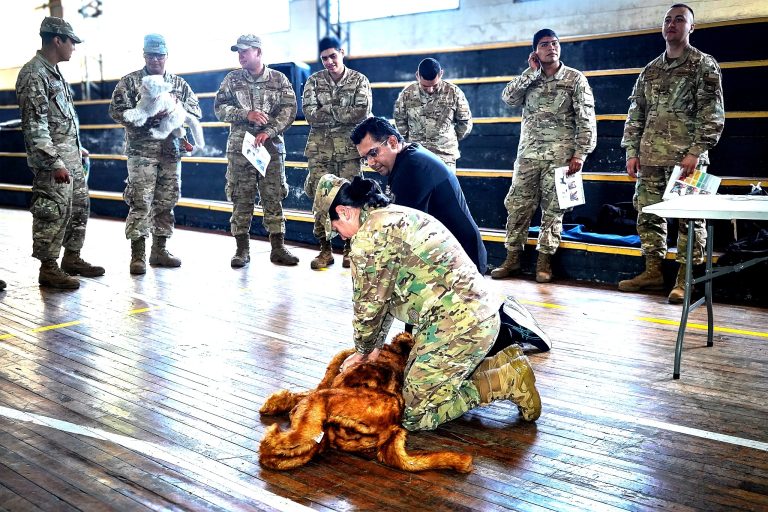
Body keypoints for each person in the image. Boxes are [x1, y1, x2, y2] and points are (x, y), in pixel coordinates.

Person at [313, 174, 542, 431]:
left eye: (334, 227)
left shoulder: (369, 240)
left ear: (344, 212)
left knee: (412, 414)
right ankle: (500, 363)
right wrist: (373, 347)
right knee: (416, 383)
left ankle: (504, 380)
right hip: (474, 317)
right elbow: (385, 297)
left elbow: (369, 308)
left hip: (460, 326)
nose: (338, 236)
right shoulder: (388, 216)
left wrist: (363, 350)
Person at [619, 4, 724, 303]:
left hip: (688, 161)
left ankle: (685, 278)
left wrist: (696, 151)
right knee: (648, 215)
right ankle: (653, 271)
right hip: (651, 157)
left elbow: (712, 114)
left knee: (690, 220)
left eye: (680, 20)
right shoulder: (650, 70)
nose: (672, 24)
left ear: (691, 27)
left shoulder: (704, 65)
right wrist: (631, 151)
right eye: (668, 19)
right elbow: (635, 113)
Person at [493, 28, 596, 283]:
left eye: (554, 43)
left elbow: (586, 119)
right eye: (544, 45)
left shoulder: (574, 79)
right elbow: (508, 98)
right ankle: (512, 259)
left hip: (561, 157)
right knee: (517, 206)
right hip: (528, 155)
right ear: (535, 52)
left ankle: (544, 262)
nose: (551, 47)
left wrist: (580, 153)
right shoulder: (530, 79)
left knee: (553, 211)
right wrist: (530, 72)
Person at [15, 16, 104, 289]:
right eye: (71, 42)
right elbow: (35, 125)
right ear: (57, 40)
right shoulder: (34, 74)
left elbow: (60, 120)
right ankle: (49, 268)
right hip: (53, 161)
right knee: (52, 210)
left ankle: (72, 258)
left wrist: (76, 148)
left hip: (70, 156)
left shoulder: (53, 71)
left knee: (78, 207)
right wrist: (54, 161)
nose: (73, 48)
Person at [109, 34, 202, 275]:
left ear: (166, 56)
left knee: (166, 201)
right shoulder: (129, 82)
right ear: (144, 56)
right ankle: (137, 255)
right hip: (142, 154)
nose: (156, 60)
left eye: (160, 55)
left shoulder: (179, 84)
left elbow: (195, 111)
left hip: (171, 153)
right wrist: (148, 117)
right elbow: (117, 111)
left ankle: (159, 250)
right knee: (140, 202)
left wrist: (175, 109)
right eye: (151, 55)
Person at [351, 116, 487, 275]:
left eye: (373, 153)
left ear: (393, 142)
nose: (371, 163)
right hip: (451, 257)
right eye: (365, 158)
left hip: (462, 268)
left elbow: (400, 233)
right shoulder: (409, 157)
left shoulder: (412, 167)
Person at [214, 34, 299, 268]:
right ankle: (242, 250)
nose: (241, 56)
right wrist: (245, 114)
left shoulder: (279, 80)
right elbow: (220, 108)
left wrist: (269, 131)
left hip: (270, 148)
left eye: (245, 51)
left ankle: (278, 248)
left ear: (258, 52)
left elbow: (289, 110)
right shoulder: (232, 80)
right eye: (238, 52)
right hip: (241, 149)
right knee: (241, 197)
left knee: (273, 196)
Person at [302, 36, 372, 270]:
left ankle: (350, 250)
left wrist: (328, 110)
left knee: (352, 201)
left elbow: (362, 112)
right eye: (324, 58)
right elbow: (310, 114)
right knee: (321, 201)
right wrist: (343, 112)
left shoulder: (359, 80)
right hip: (319, 152)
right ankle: (324, 250)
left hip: (350, 152)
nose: (329, 62)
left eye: (333, 56)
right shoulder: (313, 81)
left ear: (342, 52)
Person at [393, 58, 473, 171]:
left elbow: (465, 122)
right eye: (425, 86)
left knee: (444, 188)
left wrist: (446, 139)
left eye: (434, 85)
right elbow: (400, 120)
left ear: (441, 74)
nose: (430, 90)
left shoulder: (454, 92)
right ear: (417, 76)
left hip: (445, 156)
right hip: (418, 154)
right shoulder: (407, 94)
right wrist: (411, 138)